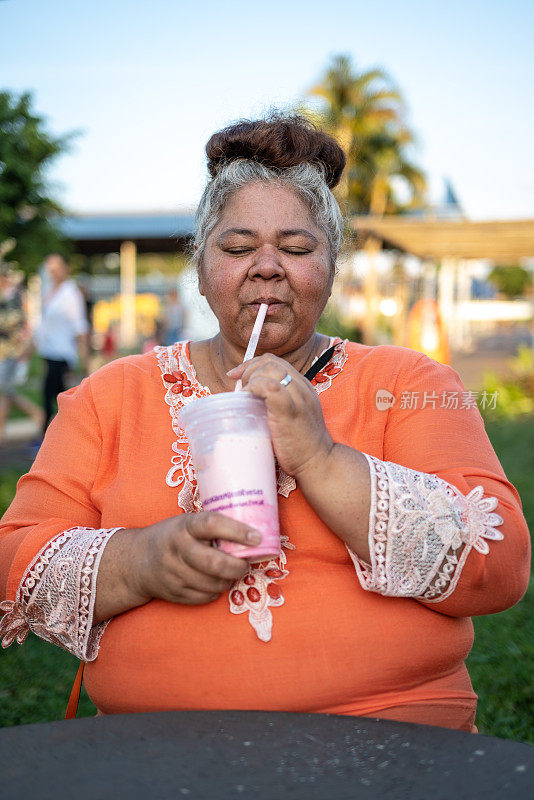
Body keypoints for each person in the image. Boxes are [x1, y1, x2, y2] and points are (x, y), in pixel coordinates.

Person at [0, 116, 530, 731]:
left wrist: (322, 460)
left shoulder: (409, 384)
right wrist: (140, 560)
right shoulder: (110, 397)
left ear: (330, 269)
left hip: (391, 734)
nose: (268, 266)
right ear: (199, 268)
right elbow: (14, 559)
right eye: (237, 247)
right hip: (154, 746)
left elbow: (501, 564)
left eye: (298, 248)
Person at [33, 254, 90, 436]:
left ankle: (51, 438)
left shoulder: (70, 293)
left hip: (63, 353)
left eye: (57, 268)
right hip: (49, 352)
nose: (53, 272)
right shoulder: (49, 290)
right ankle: (54, 437)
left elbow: (80, 326)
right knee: (53, 398)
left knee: (56, 398)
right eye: (50, 269)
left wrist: (85, 359)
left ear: (66, 268)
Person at [0, 265, 43, 441]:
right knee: (6, 392)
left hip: (10, 352)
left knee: (3, 391)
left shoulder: (14, 297)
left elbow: (15, 325)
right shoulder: (8, 297)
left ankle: (1, 431)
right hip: (6, 351)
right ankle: (37, 413)